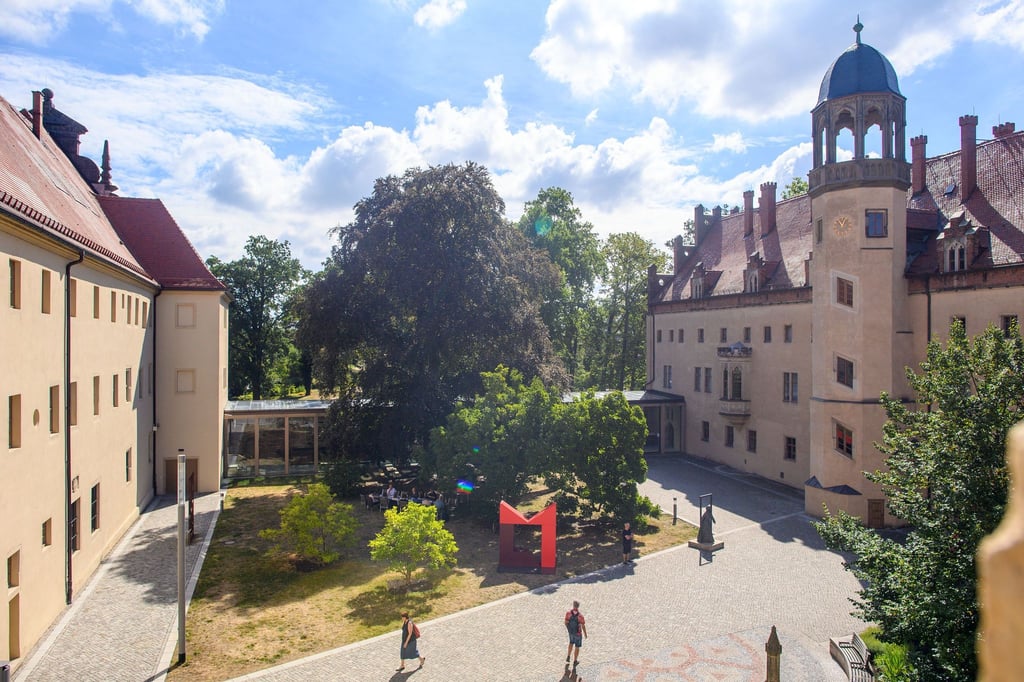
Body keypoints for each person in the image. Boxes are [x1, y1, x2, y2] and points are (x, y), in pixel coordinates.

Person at [564, 600, 587, 670]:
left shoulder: (568, 613)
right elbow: (583, 625)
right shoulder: (580, 616)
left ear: (573, 605)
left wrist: (569, 630)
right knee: (577, 647)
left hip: (571, 633)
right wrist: (585, 634)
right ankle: (575, 661)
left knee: (571, 643)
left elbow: (565, 622)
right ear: (578, 606)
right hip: (578, 633)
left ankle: (568, 656)